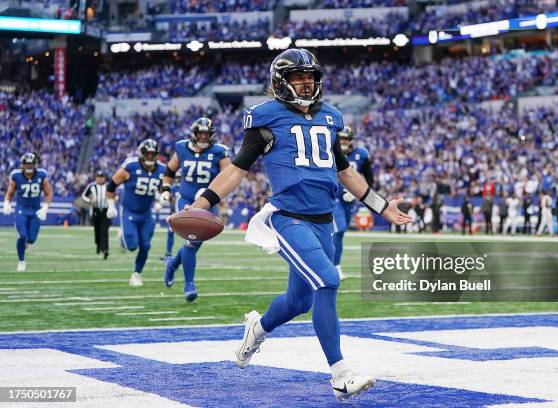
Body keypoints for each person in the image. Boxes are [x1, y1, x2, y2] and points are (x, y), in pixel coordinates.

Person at [185, 49, 412, 400]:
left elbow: (345, 172)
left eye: (310, 77)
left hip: (323, 220)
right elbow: (235, 171)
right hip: (288, 217)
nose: (306, 84)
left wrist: (381, 206)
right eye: (298, 78)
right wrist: (202, 204)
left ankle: (256, 329)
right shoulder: (266, 118)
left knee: (298, 301)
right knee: (328, 278)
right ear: (281, 82)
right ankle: (339, 374)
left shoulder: (330, 118)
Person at [159, 117, 230, 302]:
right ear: (194, 134)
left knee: (194, 242)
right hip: (185, 199)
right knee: (191, 240)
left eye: (207, 134)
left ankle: (172, 264)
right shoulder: (182, 148)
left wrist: (222, 201)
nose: (204, 137)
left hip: (208, 201)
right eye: (201, 133)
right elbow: (169, 171)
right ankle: (189, 285)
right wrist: (166, 188)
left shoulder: (219, 152)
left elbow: (229, 175)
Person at [106, 139, 166, 286]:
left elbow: (164, 188)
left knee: (146, 245)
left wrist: (160, 198)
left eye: (153, 154)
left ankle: (136, 274)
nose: (150, 157)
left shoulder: (162, 170)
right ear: (141, 154)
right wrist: (111, 205)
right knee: (132, 246)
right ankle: (122, 238)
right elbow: (111, 185)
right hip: (129, 211)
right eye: (147, 154)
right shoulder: (130, 167)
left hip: (146, 213)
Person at [331, 125, 373, 281]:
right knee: (339, 229)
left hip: (350, 200)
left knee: (339, 234)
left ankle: (335, 264)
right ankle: (335, 267)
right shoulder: (329, 152)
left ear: (350, 140)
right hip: (332, 196)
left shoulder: (361, 154)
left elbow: (369, 178)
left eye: (345, 139)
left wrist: (357, 193)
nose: (342, 141)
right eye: (340, 138)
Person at [3, 153, 53, 271]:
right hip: (22, 209)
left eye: (31, 164)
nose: (29, 166)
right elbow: (10, 193)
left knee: (31, 239)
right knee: (22, 235)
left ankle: (24, 242)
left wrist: (45, 207)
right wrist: (6, 202)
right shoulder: (16, 176)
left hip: (36, 210)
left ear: (35, 164)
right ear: (23, 165)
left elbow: (49, 193)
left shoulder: (41, 174)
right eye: (27, 164)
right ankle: (21, 261)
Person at [81, 170, 110, 259]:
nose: (100, 179)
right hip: (96, 210)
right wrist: (90, 201)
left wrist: (114, 198)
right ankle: (98, 244)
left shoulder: (108, 186)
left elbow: (114, 194)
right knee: (97, 230)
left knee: (104, 230)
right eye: (98, 177)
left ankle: (105, 249)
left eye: (101, 177)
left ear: (104, 178)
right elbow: (83, 196)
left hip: (106, 210)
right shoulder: (92, 186)